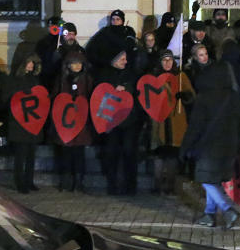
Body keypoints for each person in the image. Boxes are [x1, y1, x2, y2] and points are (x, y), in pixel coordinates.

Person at [179, 60, 240, 228]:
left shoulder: (205, 98)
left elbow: (195, 126)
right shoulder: (237, 97)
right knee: (213, 179)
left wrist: (185, 147)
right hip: (229, 144)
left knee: (205, 178)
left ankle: (228, 210)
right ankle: (209, 215)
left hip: (208, 146)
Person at [95, 45, 141, 195]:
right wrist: (114, 88)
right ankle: (112, 184)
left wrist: (127, 89)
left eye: (126, 58)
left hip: (129, 119)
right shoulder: (104, 74)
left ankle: (130, 185)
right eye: (122, 59)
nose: (125, 61)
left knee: (129, 152)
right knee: (111, 152)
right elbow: (100, 92)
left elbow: (135, 90)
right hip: (110, 121)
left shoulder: (131, 74)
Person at [147, 50, 194, 195]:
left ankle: (170, 186)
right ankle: (157, 185)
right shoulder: (154, 78)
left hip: (175, 120)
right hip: (159, 120)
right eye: (164, 60)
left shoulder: (180, 77)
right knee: (159, 153)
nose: (167, 63)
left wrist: (184, 96)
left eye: (169, 60)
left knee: (172, 154)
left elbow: (192, 96)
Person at [51, 51, 93, 192]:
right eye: (74, 63)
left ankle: (79, 181)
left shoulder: (86, 79)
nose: (77, 66)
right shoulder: (61, 80)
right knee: (65, 154)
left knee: (79, 154)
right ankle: (66, 181)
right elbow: (55, 98)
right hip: (65, 122)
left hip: (81, 121)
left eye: (79, 63)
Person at [3, 53, 45, 194]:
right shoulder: (14, 79)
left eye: (33, 63)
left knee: (31, 155)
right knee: (20, 155)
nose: (31, 65)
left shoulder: (35, 79)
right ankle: (20, 182)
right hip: (19, 122)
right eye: (29, 62)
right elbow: (8, 98)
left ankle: (29, 180)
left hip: (33, 121)